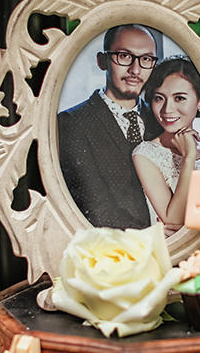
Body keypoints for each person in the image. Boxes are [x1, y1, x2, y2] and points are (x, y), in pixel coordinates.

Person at [58, 24, 161, 229]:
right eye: (124, 56)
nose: (135, 70)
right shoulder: (71, 122)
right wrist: (154, 234)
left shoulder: (161, 119)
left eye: (146, 59)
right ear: (102, 61)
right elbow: (94, 208)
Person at [132, 56, 200, 231]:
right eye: (159, 98)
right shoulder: (145, 154)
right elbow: (174, 220)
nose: (167, 109)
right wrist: (188, 157)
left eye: (179, 98)